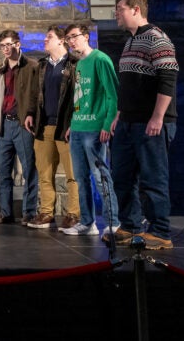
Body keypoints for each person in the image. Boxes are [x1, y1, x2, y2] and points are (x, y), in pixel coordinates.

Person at [110, 0, 179, 250]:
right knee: (123, 177)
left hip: (150, 122)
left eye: (120, 8)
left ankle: (161, 231)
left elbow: (167, 79)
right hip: (128, 121)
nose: (116, 13)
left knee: (153, 178)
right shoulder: (130, 42)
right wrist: (119, 115)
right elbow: (129, 86)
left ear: (136, 10)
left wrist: (158, 116)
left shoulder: (156, 39)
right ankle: (129, 226)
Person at [61, 23, 119, 237]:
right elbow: (79, 98)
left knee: (101, 175)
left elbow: (113, 95)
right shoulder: (79, 64)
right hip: (78, 127)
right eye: (68, 38)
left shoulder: (100, 59)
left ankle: (114, 222)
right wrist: (72, 124)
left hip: (95, 128)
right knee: (80, 178)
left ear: (86, 36)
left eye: (74, 36)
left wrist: (107, 124)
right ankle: (87, 222)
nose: (71, 41)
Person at [28, 25, 80, 231]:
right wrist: (31, 113)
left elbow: (78, 96)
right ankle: (46, 213)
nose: (45, 40)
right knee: (44, 173)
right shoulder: (41, 66)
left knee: (72, 173)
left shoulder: (75, 64)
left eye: (49, 37)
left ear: (61, 41)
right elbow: (35, 93)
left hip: (65, 126)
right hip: (44, 126)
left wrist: (74, 122)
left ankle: (73, 213)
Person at [0, 30, 39, 225]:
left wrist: (31, 115)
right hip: (4, 125)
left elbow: (36, 95)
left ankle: (29, 212)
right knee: (3, 171)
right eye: (2, 46)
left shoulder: (32, 66)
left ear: (18, 44)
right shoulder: (0, 71)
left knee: (28, 169)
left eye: (9, 45)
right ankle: (5, 212)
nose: (5, 49)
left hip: (22, 124)